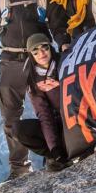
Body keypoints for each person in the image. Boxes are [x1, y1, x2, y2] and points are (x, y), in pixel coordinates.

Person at [0, 0, 67, 180]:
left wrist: (64, 46)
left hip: (39, 61)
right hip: (10, 61)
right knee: (11, 116)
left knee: (52, 109)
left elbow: (58, 24)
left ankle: (57, 153)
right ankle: (19, 167)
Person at [13, 33, 70, 172]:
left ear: (50, 47)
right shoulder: (33, 78)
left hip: (74, 118)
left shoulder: (66, 63)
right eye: (35, 51)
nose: (41, 53)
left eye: (44, 47)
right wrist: (53, 147)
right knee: (19, 130)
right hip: (57, 124)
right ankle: (55, 156)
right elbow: (44, 115)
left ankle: (69, 149)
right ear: (31, 55)